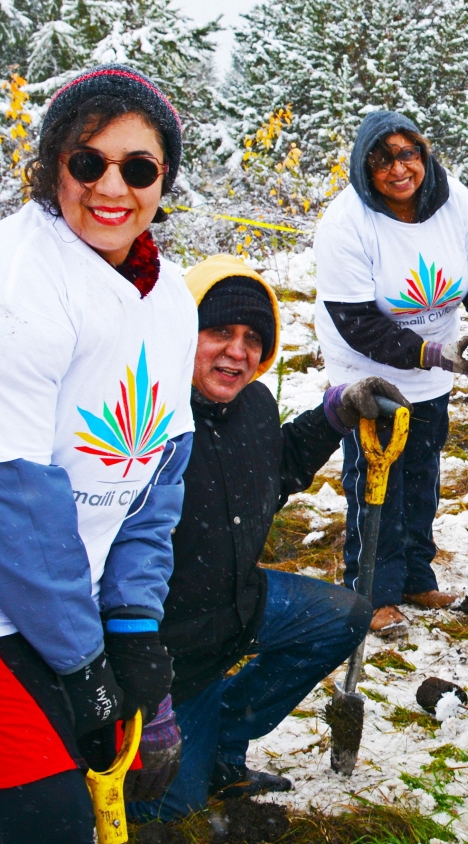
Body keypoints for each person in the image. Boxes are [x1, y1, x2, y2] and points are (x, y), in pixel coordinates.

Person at [0, 64, 196, 843]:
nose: (112, 187)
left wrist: (131, 625)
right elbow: (4, 517)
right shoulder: (2, 296)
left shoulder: (168, 299)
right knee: (56, 812)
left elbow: (157, 476)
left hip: (40, 592)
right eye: (87, 161)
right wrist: (86, 666)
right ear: (53, 163)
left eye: (139, 167)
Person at [127, 255, 403, 820]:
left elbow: (276, 468)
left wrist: (335, 412)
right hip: (169, 658)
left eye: (253, 338)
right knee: (170, 811)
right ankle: (182, 743)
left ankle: (224, 745)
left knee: (344, 614)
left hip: (240, 606)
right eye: (220, 331)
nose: (238, 351)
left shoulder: (251, 404)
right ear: (183, 331)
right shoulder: (144, 421)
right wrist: (146, 693)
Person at [313, 111, 468, 637]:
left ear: (424, 155)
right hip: (369, 372)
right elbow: (356, 320)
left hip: (434, 366)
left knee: (422, 473)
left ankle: (413, 576)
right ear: (365, 168)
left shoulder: (453, 201)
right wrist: (434, 354)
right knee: (378, 479)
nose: (398, 168)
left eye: (408, 153)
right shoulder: (347, 222)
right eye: (382, 159)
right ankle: (372, 593)